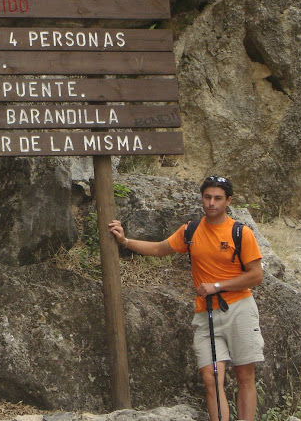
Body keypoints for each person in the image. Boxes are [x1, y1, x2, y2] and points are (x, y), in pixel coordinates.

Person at [108, 176, 264, 421]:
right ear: (202, 198)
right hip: (206, 312)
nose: (211, 203)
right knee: (211, 379)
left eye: (218, 198)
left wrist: (217, 285)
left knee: (245, 376)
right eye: (207, 197)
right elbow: (160, 248)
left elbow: (256, 275)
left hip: (239, 308)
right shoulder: (190, 230)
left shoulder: (240, 233)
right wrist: (125, 241)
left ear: (228, 201)